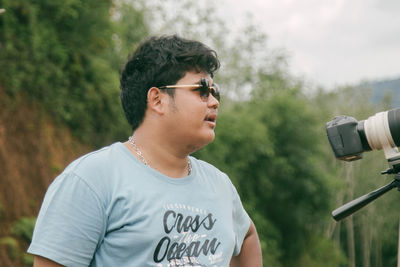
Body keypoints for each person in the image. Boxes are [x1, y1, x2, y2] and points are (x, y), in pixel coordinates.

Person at [28, 35, 262, 267]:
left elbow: (248, 236)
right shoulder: (91, 179)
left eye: (214, 91)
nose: (213, 101)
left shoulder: (220, 185)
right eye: (201, 89)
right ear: (157, 99)